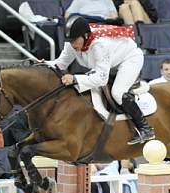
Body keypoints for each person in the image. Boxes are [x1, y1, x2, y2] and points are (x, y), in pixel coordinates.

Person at [45, 16, 154, 145]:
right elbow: (61, 64)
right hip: (110, 62)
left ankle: (145, 128)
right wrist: (44, 63)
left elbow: (102, 79)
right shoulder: (72, 43)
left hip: (129, 58)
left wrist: (74, 78)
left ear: (85, 35)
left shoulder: (99, 44)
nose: (73, 44)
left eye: (75, 40)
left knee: (118, 93)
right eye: (70, 41)